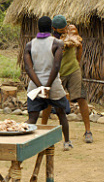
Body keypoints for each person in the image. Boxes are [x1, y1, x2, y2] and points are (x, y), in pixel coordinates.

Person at [41, 15, 93, 143]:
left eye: (65, 28)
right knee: (48, 100)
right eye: (61, 29)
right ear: (54, 28)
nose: (64, 30)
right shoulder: (50, 39)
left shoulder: (71, 32)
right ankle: (42, 129)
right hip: (57, 72)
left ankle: (88, 131)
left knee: (81, 98)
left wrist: (77, 63)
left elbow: (79, 46)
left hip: (73, 70)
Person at [23, 16, 72, 150]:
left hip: (35, 86)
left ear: (38, 27)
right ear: (51, 27)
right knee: (61, 114)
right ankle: (67, 142)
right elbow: (56, 67)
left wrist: (40, 86)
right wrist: (48, 86)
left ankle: (23, 141)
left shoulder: (29, 45)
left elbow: (28, 68)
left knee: (32, 118)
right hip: (53, 85)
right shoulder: (57, 43)